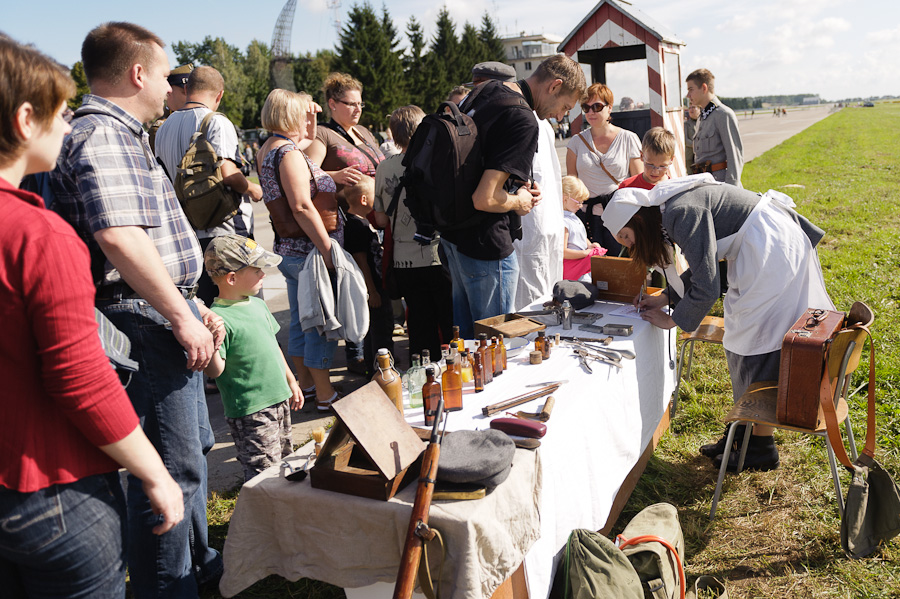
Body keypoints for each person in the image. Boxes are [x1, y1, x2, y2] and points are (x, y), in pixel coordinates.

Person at [0, 32, 184, 599]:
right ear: (26, 119)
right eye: (60, 113)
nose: (69, 125)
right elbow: (79, 377)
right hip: (52, 489)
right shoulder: (36, 234)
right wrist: (154, 472)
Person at [50, 22, 225, 598]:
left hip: (157, 313)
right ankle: (170, 587)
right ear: (137, 73)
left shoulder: (120, 133)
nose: (173, 84)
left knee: (190, 455)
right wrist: (179, 313)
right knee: (168, 474)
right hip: (142, 321)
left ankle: (194, 569)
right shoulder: (105, 134)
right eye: (167, 71)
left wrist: (190, 303)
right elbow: (121, 239)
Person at [602, 175, 834, 472]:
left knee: (755, 337)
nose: (627, 245)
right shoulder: (671, 211)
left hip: (770, 249)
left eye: (624, 236)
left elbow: (707, 285)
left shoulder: (679, 212)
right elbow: (705, 266)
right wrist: (665, 297)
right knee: (744, 336)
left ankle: (758, 444)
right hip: (762, 246)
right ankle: (744, 431)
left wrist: (674, 319)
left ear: (637, 221)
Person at [441, 54, 586, 338]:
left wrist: (514, 189)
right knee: (492, 345)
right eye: (565, 107)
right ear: (555, 86)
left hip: (454, 236)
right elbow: (485, 198)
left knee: (467, 341)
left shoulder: (485, 93)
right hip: (486, 244)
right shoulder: (523, 118)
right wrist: (519, 202)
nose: (560, 116)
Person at [256, 88, 342, 412]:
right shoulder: (288, 152)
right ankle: (325, 394)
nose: (308, 118)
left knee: (299, 319)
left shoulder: (268, 147)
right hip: (307, 252)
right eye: (303, 112)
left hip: (288, 250)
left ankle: (305, 385)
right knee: (316, 323)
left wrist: (313, 115)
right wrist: (327, 249)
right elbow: (303, 206)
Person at [154, 65, 263, 307]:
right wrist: (254, 189)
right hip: (227, 230)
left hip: (190, 233)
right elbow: (228, 173)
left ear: (187, 89)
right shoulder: (215, 122)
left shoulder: (163, 129)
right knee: (247, 310)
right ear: (219, 95)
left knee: (212, 313)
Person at [203, 235, 302, 482]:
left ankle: (284, 511)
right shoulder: (218, 318)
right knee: (263, 472)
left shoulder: (257, 305)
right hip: (251, 410)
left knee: (285, 460)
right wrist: (212, 340)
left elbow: (273, 345)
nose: (263, 274)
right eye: (256, 269)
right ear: (232, 278)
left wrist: (291, 380)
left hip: (278, 398)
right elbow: (215, 372)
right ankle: (264, 515)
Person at [306, 72, 384, 369]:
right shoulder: (324, 134)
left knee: (376, 287)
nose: (357, 109)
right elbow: (305, 171)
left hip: (374, 219)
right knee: (357, 287)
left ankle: (376, 349)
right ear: (332, 103)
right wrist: (335, 176)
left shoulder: (364, 132)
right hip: (347, 222)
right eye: (350, 103)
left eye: (360, 103)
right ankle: (357, 354)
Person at [373, 105, 452, 360]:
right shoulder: (435, 162)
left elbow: (381, 218)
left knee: (418, 324)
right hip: (436, 254)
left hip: (403, 260)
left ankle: (421, 375)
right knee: (448, 321)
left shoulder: (384, 168)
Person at [566, 82, 642, 254]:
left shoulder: (628, 139)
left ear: (609, 108)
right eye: (586, 107)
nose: (591, 112)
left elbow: (638, 181)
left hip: (620, 216)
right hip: (587, 218)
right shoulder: (575, 143)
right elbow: (572, 185)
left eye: (597, 106)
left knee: (622, 268)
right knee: (593, 271)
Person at [344, 174, 394, 375]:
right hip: (372, 287)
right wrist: (371, 291)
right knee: (381, 330)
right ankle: (382, 371)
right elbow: (360, 260)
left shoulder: (360, 222)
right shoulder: (357, 226)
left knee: (377, 329)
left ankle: (376, 367)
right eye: (376, 196)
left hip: (375, 285)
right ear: (364, 199)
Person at [685, 68, 743, 187]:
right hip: (706, 185)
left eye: (691, 90)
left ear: (704, 88)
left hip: (721, 186)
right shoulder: (702, 116)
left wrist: (731, 190)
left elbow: (735, 158)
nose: (688, 95)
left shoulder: (723, 114)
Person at [561, 175, 605, 282]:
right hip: (574, 272)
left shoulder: (573, 217)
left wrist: (590, 245)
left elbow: (581, 236)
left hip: (582, 269)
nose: (581, 206)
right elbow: (563, 252)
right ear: (565, 199)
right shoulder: (563, 221)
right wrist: (585, 253)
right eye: (578, 201)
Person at [148, 62, 192, 152]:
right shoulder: (160, 129)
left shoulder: (200, 121)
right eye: (185, 92)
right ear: (169, 91)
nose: (191, 97)